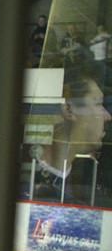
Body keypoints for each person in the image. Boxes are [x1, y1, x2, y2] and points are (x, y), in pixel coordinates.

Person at [27, 74, 111, 206]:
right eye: (98, 103)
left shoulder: (89, 180)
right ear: (68, 110)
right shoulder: (20, 178)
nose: (107, 116)